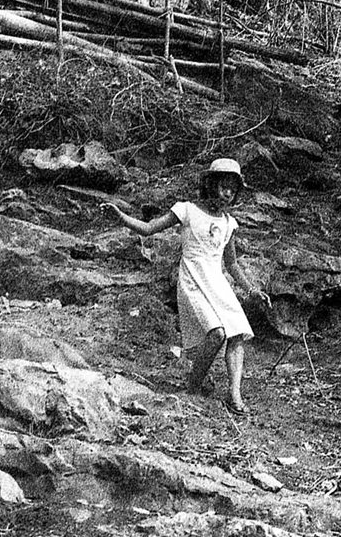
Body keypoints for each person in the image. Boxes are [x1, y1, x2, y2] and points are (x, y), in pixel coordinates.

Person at [108, 157, 257, 417]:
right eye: (224, 186)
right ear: (211, 185)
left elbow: (231, 264)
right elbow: (148, 228)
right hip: (192, 281)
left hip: (218, 283)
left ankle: (235, 394)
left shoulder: (229, 224)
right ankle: (194, 384)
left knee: (237, 334)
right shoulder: (187, 210)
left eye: (233, 189)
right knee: (217, 333)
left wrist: (251, 290)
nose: (228, 193)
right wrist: (121, 217)